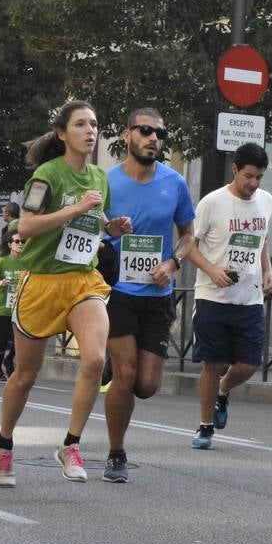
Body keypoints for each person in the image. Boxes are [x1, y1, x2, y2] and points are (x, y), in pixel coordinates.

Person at [0, 101, 131, 488]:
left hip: (82, 280)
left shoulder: (100, 178)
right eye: (81, 124)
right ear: (61, 133)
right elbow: (27, 226)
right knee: (25, 375)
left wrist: (114, 227)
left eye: (95, 125)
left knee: (94, 358)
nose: (90, 131)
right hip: (41, 282)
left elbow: (96, 223)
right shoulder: (45, 176)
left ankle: (71, 444)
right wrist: (75, 210)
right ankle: (4, 444)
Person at [101, 108, 196, 482]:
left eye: (159, 133)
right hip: (117, 291)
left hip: (158, 294)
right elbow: (91, 227)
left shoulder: (175, 183)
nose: (153, 138)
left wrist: (172, 263)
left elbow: (189, 236)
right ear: (127, 135)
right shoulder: (106, 180)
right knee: (125, 374)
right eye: (145, 131)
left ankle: (117, 370)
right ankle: (116, 453)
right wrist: (111, 226)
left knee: (147, 385)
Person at [188, 142, 272, 450]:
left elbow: (262, 238)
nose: (253, 184)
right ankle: (205, 426)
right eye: (248, 176)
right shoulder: (212, 203)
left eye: (259, 178)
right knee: (211, 362)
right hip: (213, 297)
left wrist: (269, 270)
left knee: (249, 363)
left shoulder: (266, 201)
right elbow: (188, 245)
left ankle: (223, 390)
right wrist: (211, 270)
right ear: (235, 169)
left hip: (249, 297)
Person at [0, 230, 24, 381]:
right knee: (3, 338)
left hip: (19, 306)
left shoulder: (26, 261)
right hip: (2, 305)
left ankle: (9, 360)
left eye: (23, 242)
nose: (21, 244)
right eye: (17, 241)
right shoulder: (2, 261)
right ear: (10, 245)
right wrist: (0, 282)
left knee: (19, 337)